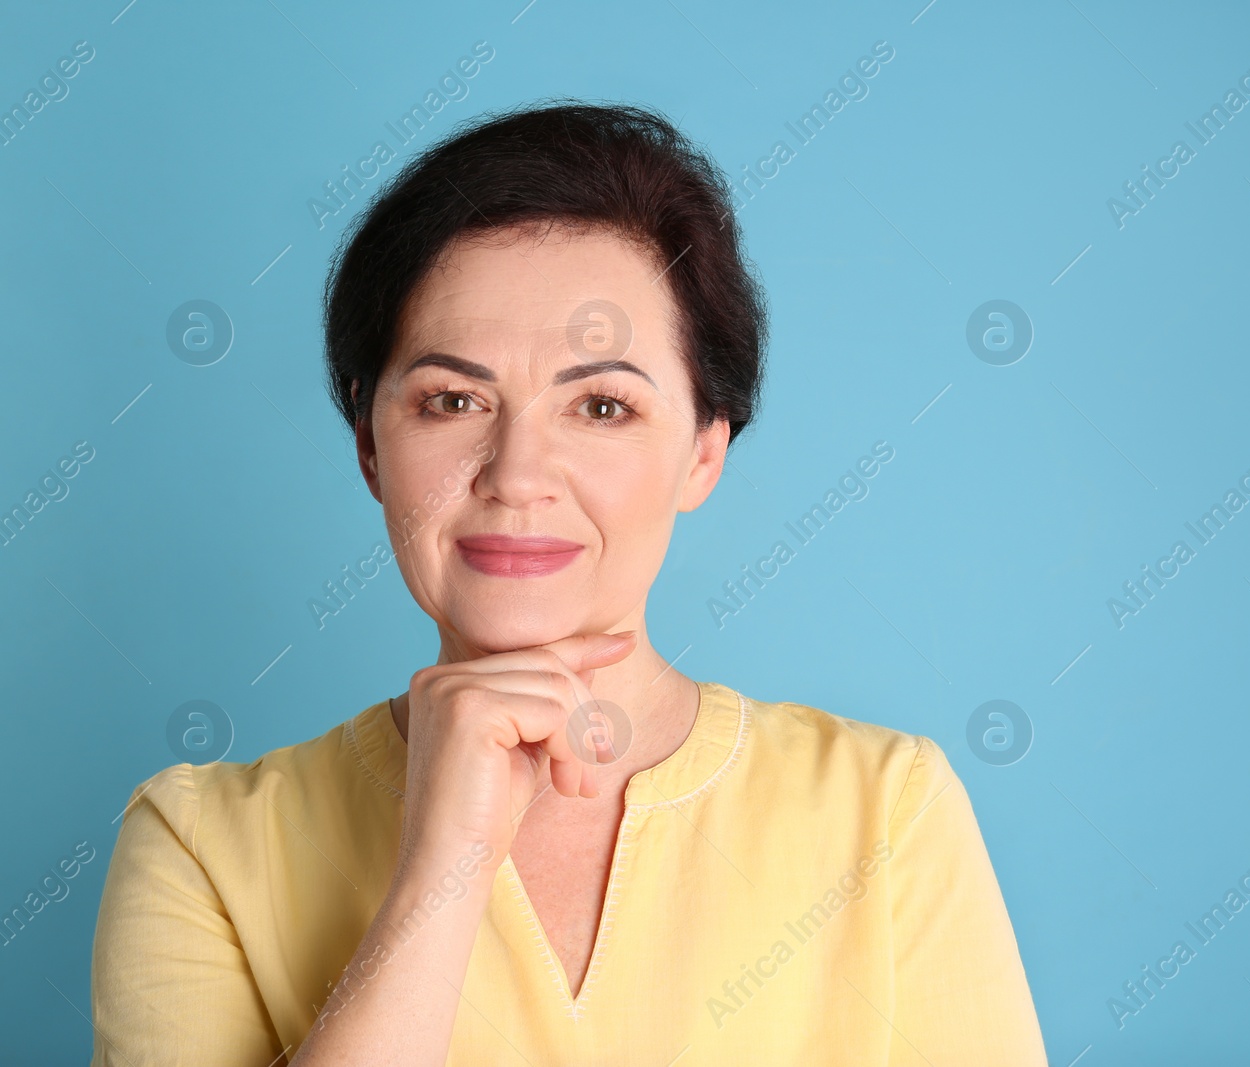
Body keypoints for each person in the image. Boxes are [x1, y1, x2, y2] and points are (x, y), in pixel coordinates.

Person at [89, 100, 1048, 1065]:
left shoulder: (886, 810)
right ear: (371, 445)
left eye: (601, 404)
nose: (517, 473)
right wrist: (443, 871)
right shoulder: (200, 842)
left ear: (704, 453)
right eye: (453, 400)